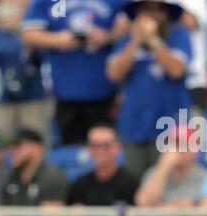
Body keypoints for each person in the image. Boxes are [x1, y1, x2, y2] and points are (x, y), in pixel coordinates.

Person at [21, 0, 129, 144]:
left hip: (106, 90)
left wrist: (107, 37)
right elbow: (28, 33)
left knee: (106, 146)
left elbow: (131, 26)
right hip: (64, 91)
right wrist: (57, 40)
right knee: (70, 150)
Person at [107, 0, 192, 182]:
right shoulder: (127, 39)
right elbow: (114, 74)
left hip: (170, 128)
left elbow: (176, 70)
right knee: (134, 186)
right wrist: (136, 41)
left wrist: (153, 40)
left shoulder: (179, 35)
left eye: (159, 9)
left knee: (166, 185)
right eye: (146, 9)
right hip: (133, 127)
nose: (152, 14)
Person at [66, 123, 139, 216]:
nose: (100, 151)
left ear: (118, 147)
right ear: (88, 149)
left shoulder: (131, 182)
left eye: (106, 145)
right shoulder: (80, 184)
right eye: (94, 145)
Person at [134, 126, 206, 216]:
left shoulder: (202, 177)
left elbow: (196, 215)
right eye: (173, 144)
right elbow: (143, 203)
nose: (177, 150)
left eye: (184, 145)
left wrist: (156, 208)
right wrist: (163, 168)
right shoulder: (155, 172)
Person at [0, 0, 49, 143]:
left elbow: (37, 57)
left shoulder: (33, 27)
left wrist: (21, 29)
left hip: (33, 96)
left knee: (34, 140)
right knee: (2, 140)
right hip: (4, 97)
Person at [0, 128, 69, 216]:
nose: (13, 151)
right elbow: (4, 215)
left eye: (18, 146)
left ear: (38, 147)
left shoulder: (53, 175)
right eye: (12, 146)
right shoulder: (10, 176)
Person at [177, 0, 207, 115]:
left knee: (194, 130)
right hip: (155, 81)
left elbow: (189, 22)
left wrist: (161, 10)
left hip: (193, 80)